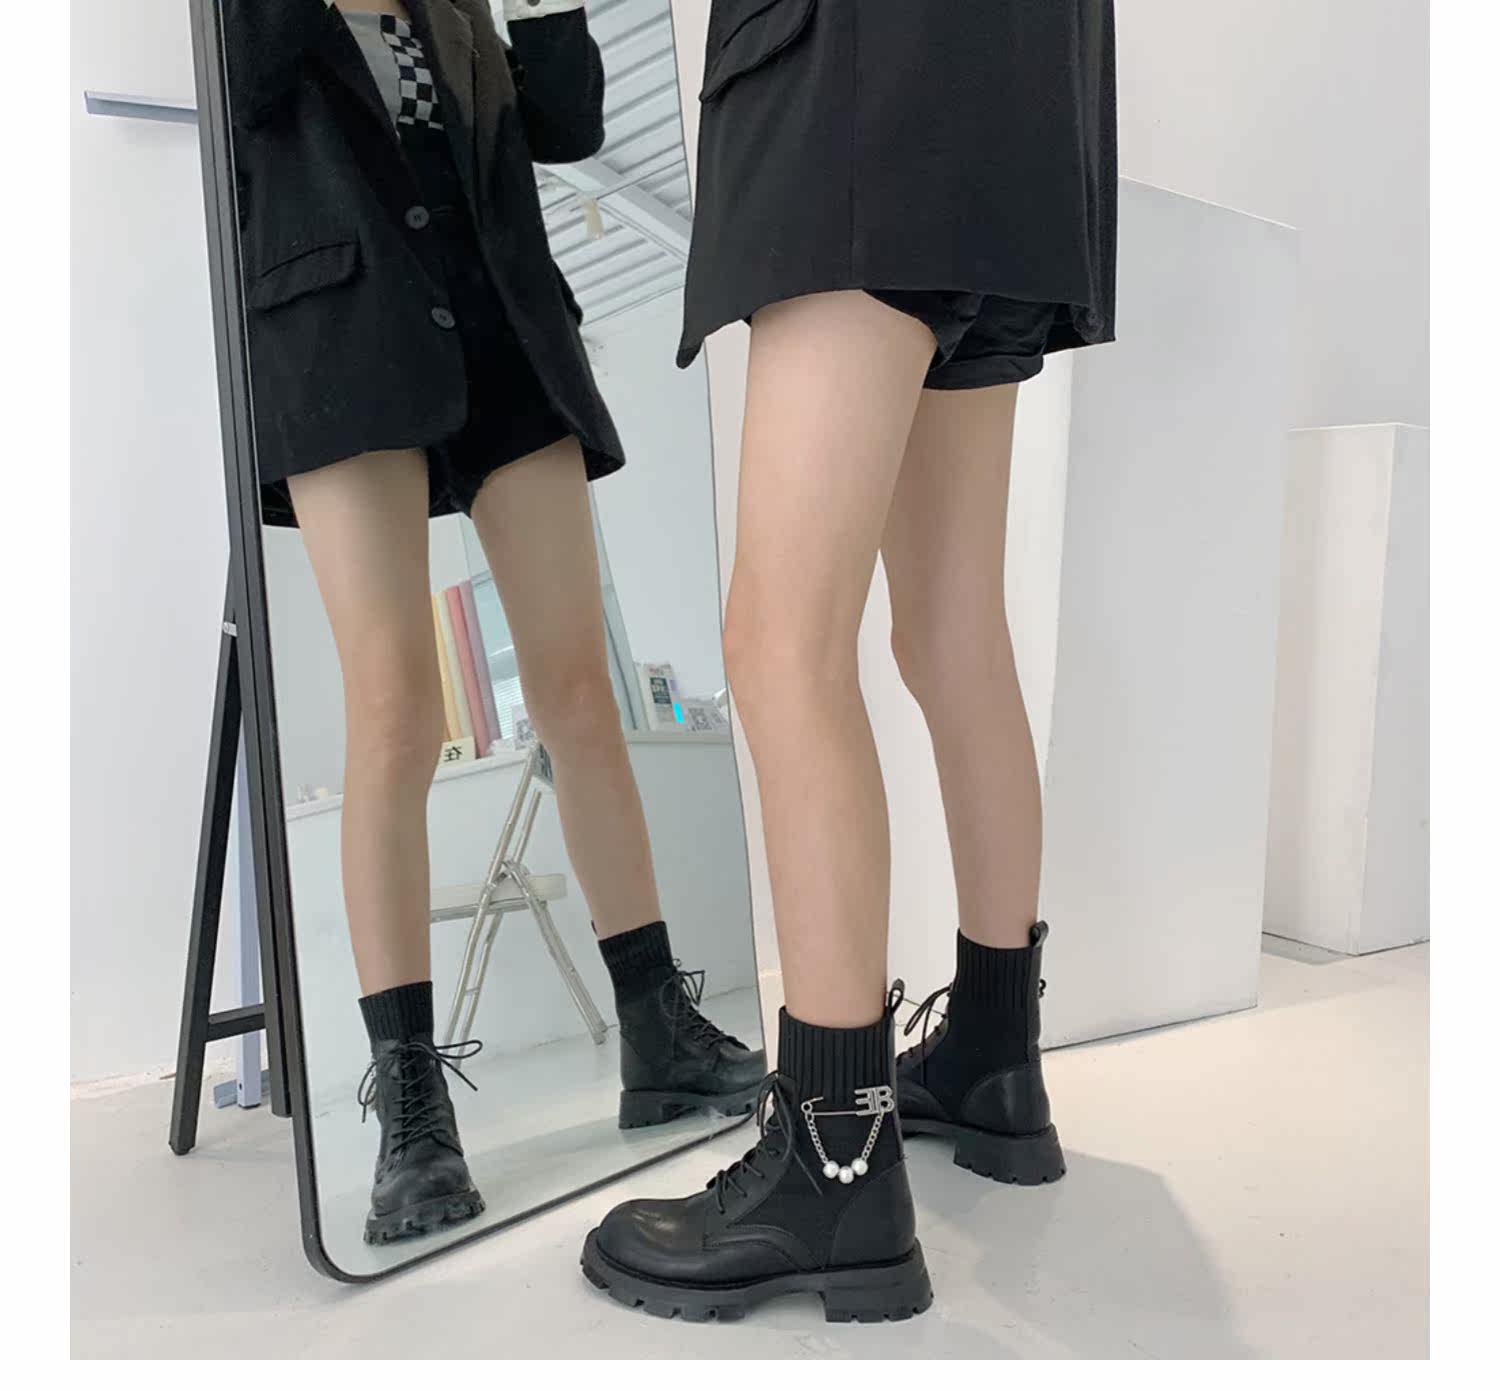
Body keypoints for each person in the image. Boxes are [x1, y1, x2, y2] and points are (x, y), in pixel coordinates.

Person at [582, 0, 1117, 1320]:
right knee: (952, 625)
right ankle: (993, 1057)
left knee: (780, 640)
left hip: (856, 83)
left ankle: (835, 1160)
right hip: (1020, 99)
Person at [225, 0, 762, 1246]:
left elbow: (567, 120)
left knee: (580, 693)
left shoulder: (451, 10)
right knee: (396, 713)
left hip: (507, 340)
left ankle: (657, 1028)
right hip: (341, 339)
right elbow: (247, 88)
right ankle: (411, 1106)